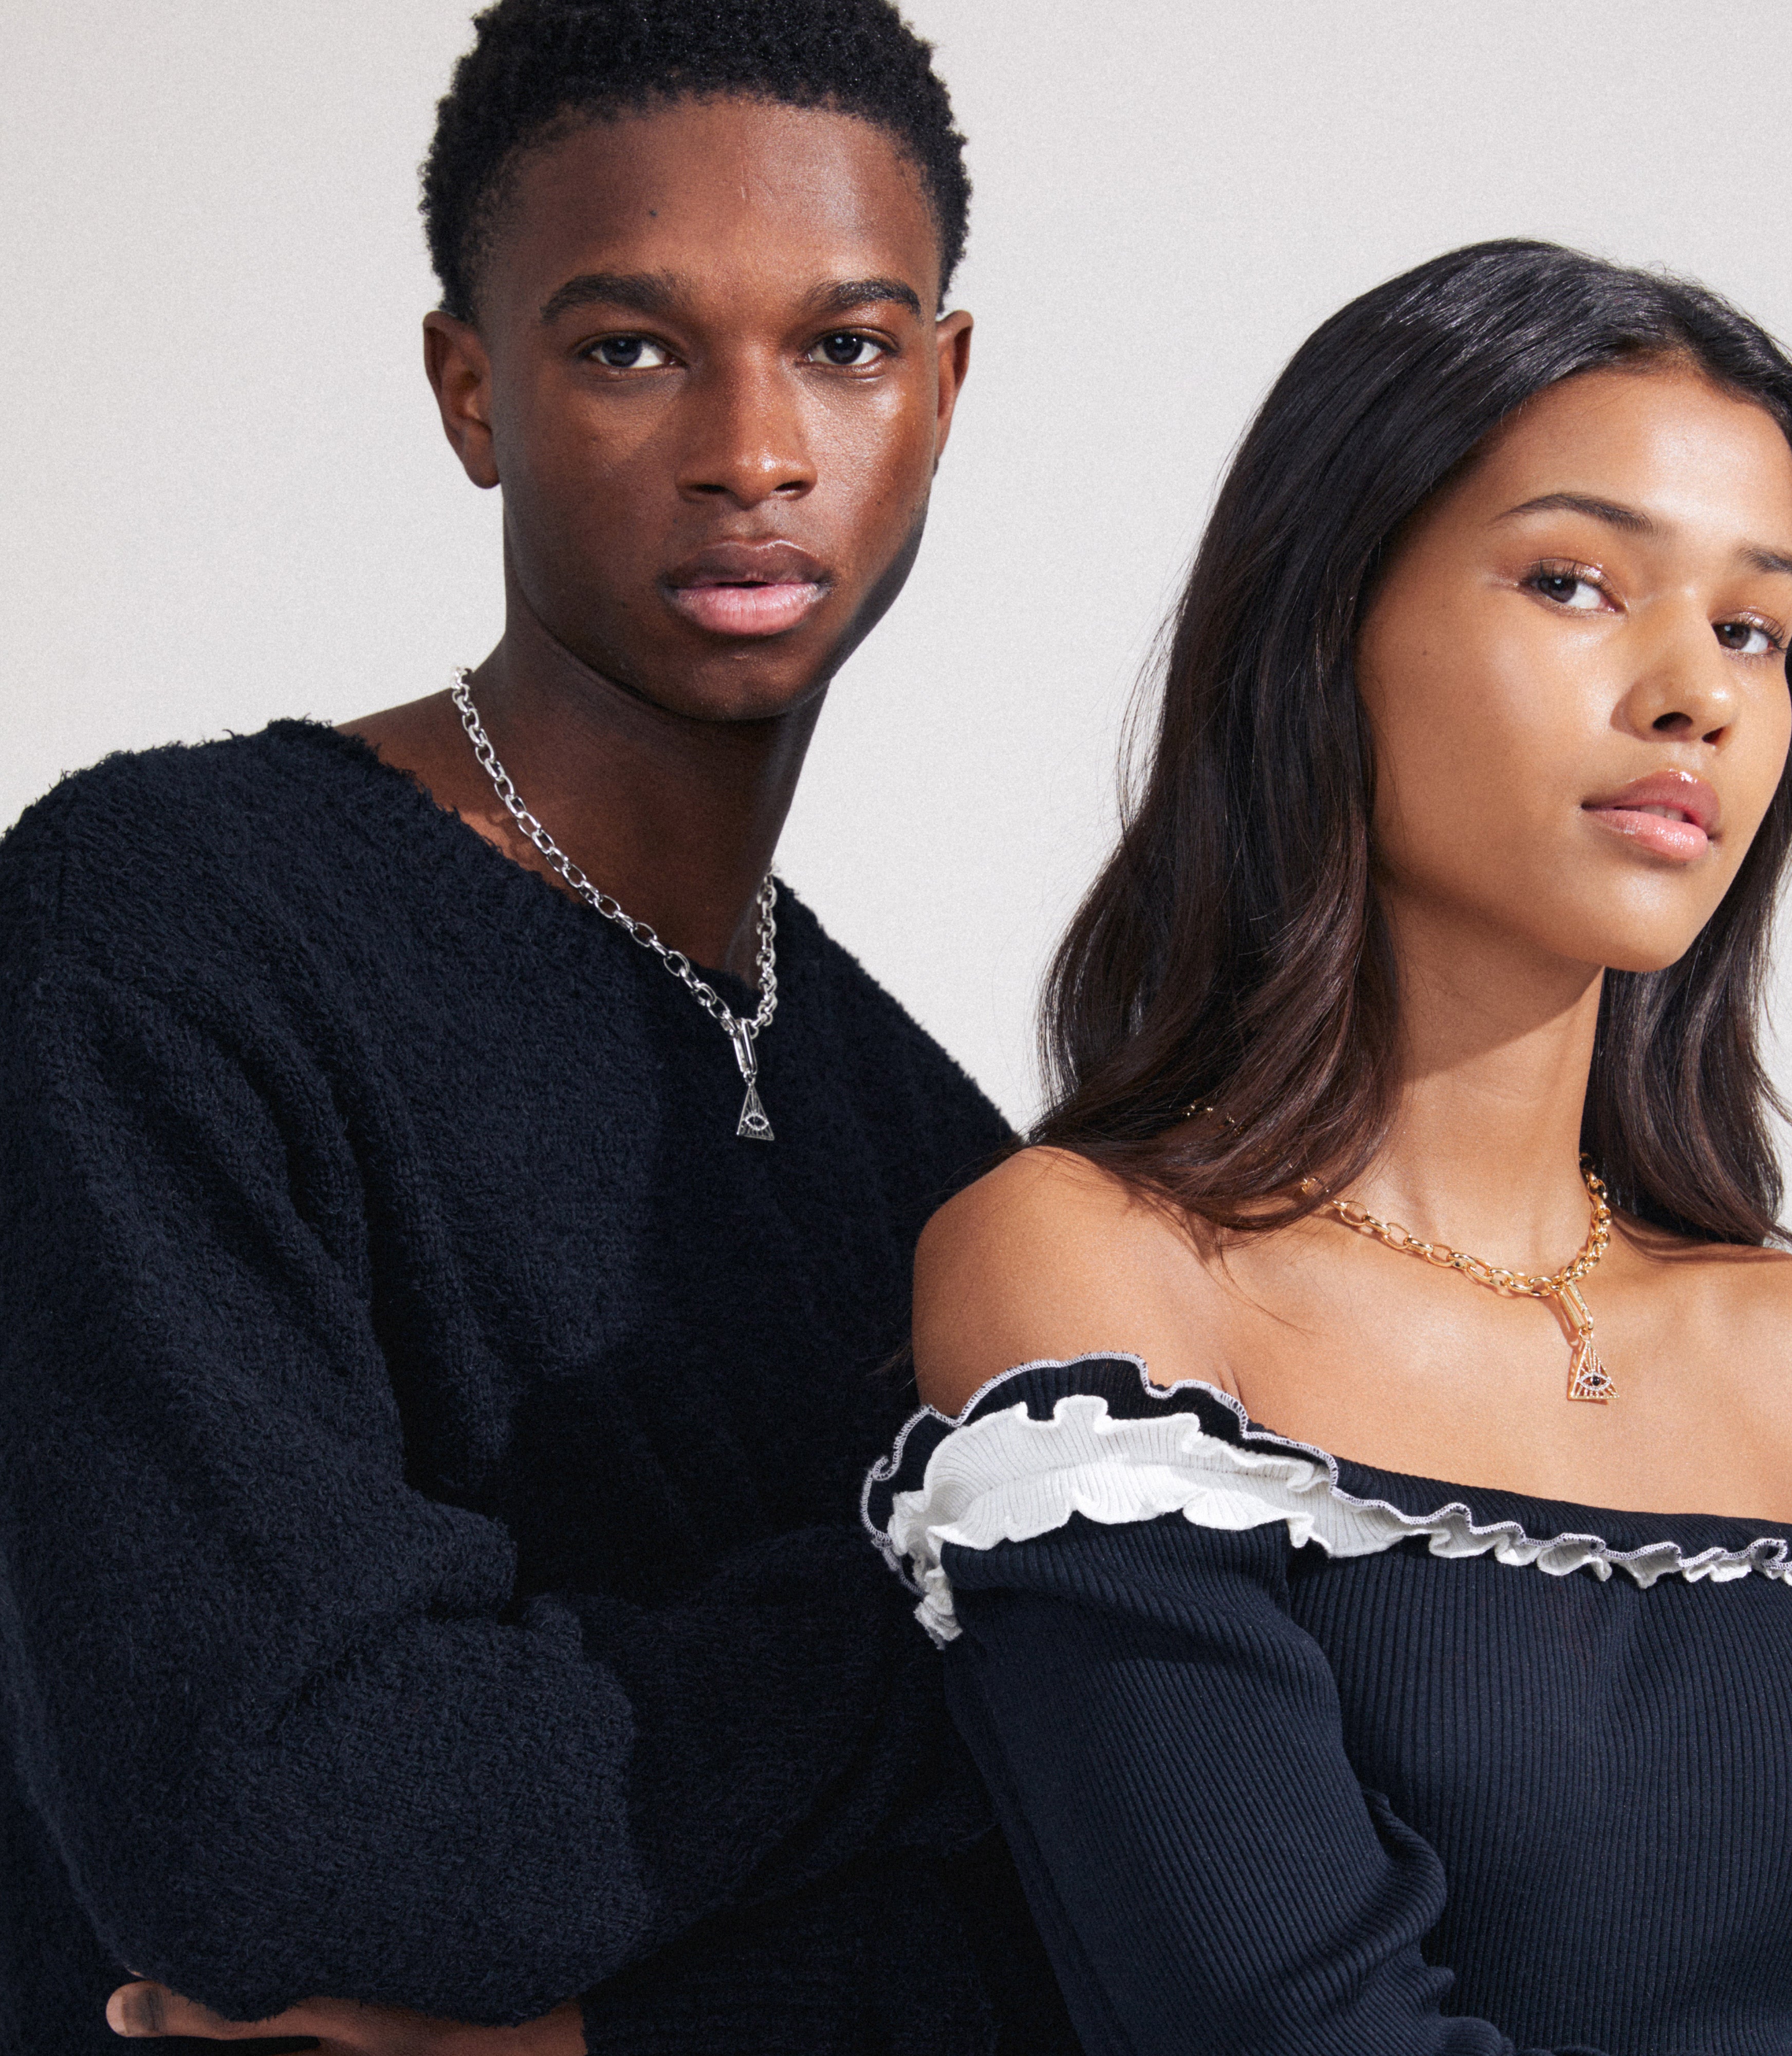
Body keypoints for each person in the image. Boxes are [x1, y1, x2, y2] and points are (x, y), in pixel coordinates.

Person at [0, 3, 1074, 2052]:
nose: (752, 450)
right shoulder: (163, 927)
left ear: (941, 391)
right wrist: (993, 1617)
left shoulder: (945, 1156)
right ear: (472, 389)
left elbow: (1095, 1944)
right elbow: (280, 1834)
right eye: (631, 349)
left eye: (845, 347)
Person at [871, 241, 1792, 2056]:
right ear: (1324, 627)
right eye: (1576, 582)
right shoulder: (1103, 1287)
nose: (1699, 692)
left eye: (1755, 628)